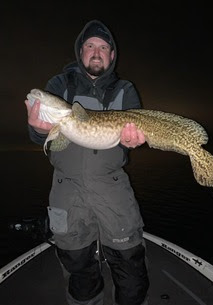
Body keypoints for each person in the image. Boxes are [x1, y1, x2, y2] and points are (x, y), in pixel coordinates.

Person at [25, 19, 149, 305]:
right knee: (76, 260)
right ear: (80, 52)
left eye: (103, 47)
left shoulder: (124, 89)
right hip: (66, 189)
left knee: (129, 260)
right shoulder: (60, 84)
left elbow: (135, 134)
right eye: (90, 46)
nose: (96, 52)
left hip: (112, 187)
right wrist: (39, 129)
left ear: (112, 55)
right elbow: (44, 137)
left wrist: (134, 141)